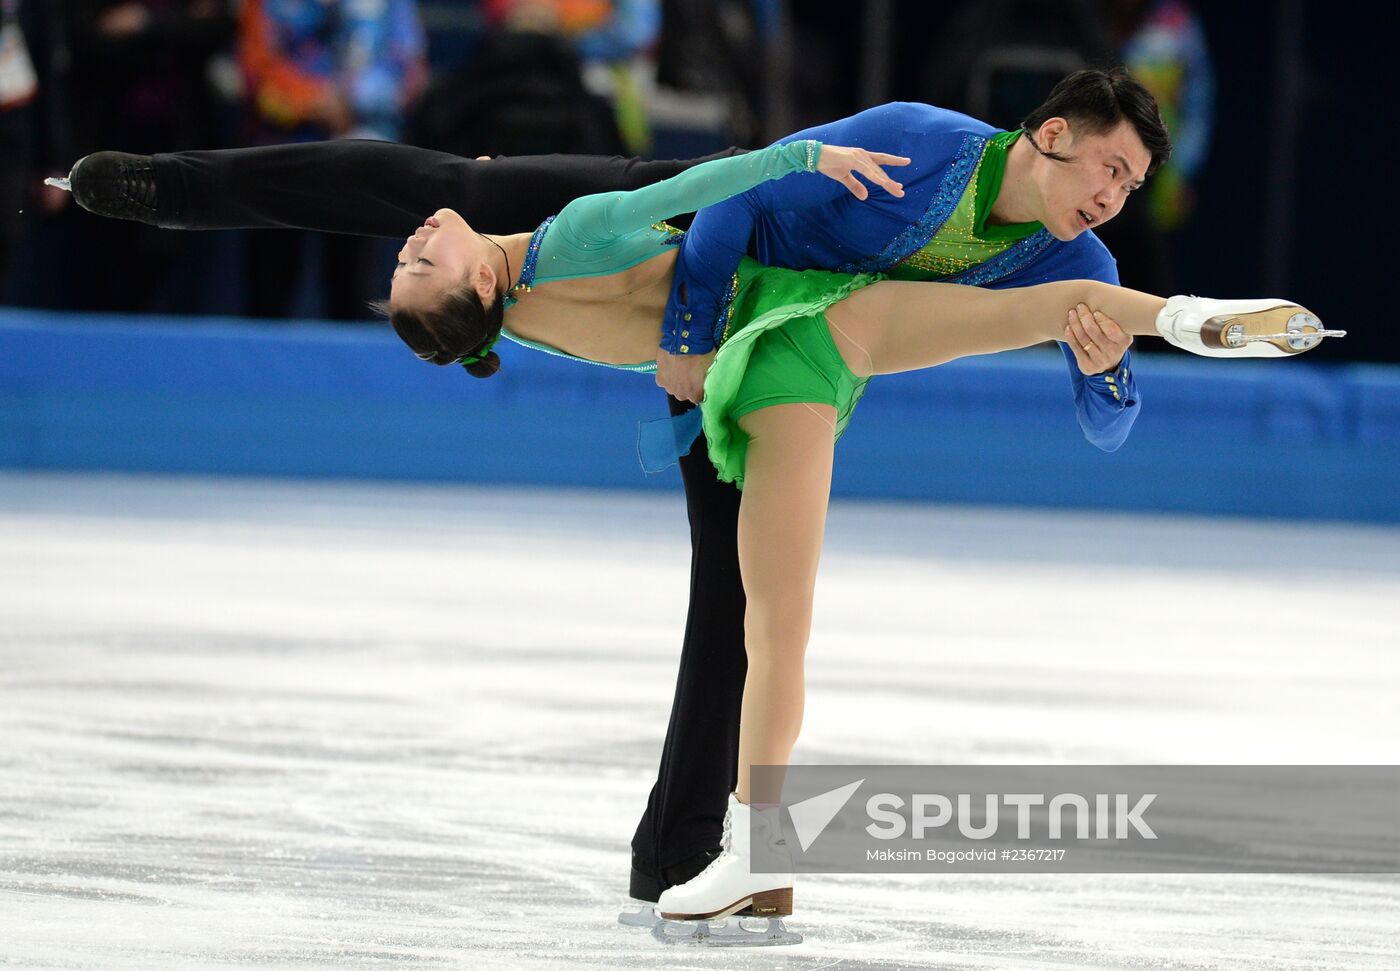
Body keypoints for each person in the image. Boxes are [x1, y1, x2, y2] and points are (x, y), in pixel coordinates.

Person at [57, 69, 1276, 916]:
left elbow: (1105, 416)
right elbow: (728, 200)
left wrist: (1108, 380)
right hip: (683, 236)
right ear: (1048, 136)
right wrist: (687, 342)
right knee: (437, 187)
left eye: (1129, 184)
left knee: (730, 601)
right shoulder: (921, 141)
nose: (1111, 197)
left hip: (770, 340)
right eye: (1105, 168)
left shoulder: (1079, 262)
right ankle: (168, 186)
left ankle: (683, 848)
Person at [370, 137, 1333, 921]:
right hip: (808, 329)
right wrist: (798, 161)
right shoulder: (565, 238)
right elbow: (700, 185)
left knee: (773, 625)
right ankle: (1191, 315)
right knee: (1046, 310)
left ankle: (758, 852)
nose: (415, 238)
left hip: (786, 368)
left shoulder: (517, 325)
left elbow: (659, 318)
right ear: (480, 291)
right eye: (422, 260)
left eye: (409, 255)